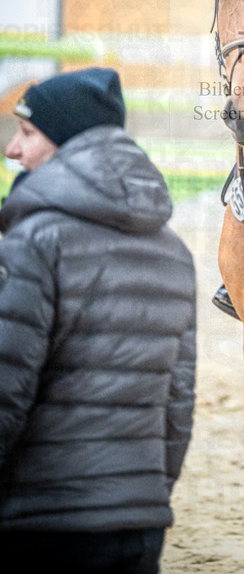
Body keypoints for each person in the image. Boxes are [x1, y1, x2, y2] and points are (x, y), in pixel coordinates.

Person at [0, 67, 196, 574]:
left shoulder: (36, 241)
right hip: (138, 524)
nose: (12, 151)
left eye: (26, 133)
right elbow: (178, 409)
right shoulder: (174, 252)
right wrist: (142, 499)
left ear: (67, 144)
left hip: (40, 525)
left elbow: (5, 393)